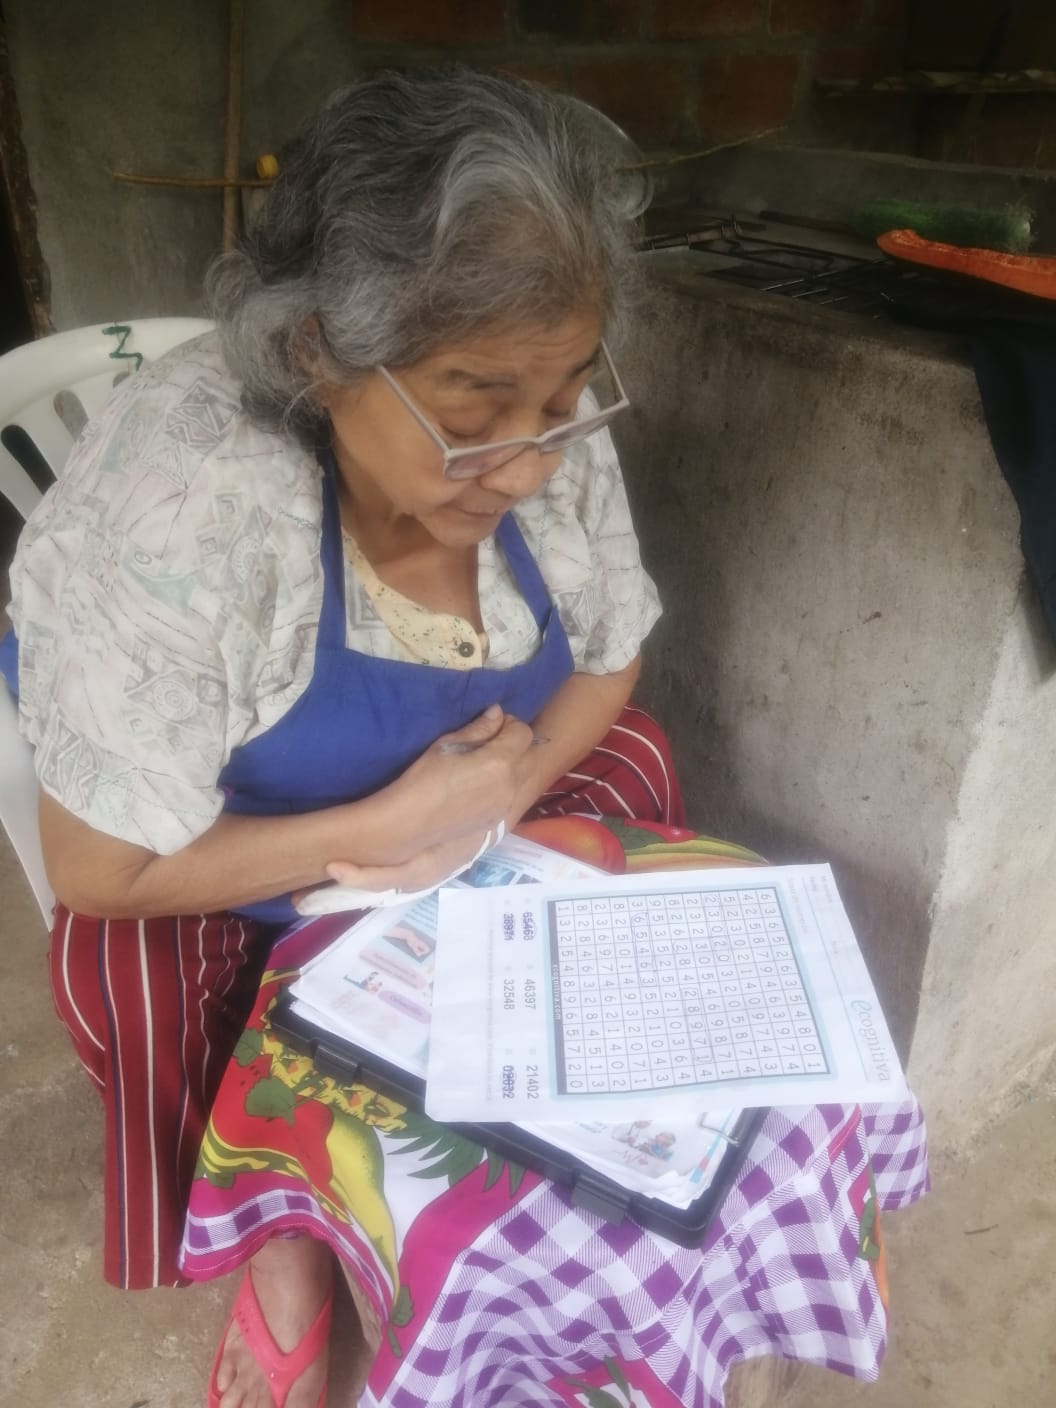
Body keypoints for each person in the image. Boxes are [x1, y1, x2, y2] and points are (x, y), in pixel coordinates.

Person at [2, 69, 686, 1408]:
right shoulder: (186, 502)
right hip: (241, 836)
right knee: (118, 967)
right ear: (320, 352)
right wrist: (380, 833)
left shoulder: (531, 408)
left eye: (561, 407)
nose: (530, 467)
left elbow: (613, 655)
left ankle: (518, 1156)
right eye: (472, 417)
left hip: (472, 803)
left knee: (638, 766)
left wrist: (502, 796)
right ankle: (282, 1252)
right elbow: (97, 867)